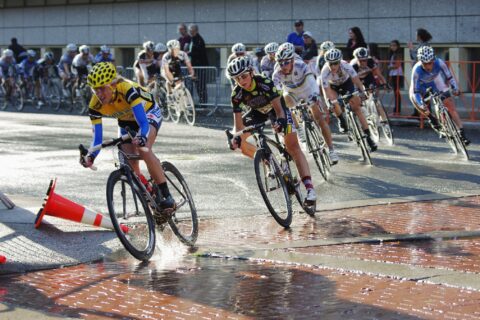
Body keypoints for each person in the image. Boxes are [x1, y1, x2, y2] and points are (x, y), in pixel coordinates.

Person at [81, 62, 175, 220]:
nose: (99, 93)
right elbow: (97, 139)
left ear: (112, 85)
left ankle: (166, 195)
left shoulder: (127, 89)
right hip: (125, 122)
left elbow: (144, 124)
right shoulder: (94, 105)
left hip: (147, 114)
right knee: (129, 166)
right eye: (95, 89)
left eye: (102, 88)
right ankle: (153, 201)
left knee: (144, 150)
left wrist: (142, 137)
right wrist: (90, 157)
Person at [227, 56, 317, 205]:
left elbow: (279, 110)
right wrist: (236, 138)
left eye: (243, 76)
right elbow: (238, 126)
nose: (241, 81)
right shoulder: (236, 94)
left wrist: (281, 122)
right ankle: (268, 161)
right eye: (236, 79)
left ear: (251, 72)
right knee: (240, 143)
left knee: (292, 147)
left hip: (278, 110)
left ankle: (309, 189)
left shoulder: (264, 82)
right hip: (258, 113)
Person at [273, 42, 339, 164]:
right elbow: (277, 92)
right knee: (285, 102)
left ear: (292, 60)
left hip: (307, 89)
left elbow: (311, 81)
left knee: (319, 118)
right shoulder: (276, 73)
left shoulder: (300, 65)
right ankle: (299, 129)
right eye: (280, 63)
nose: (283, 66)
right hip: (291, 93)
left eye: (286, 62)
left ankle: (331, 150)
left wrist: (314, 96)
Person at [409, 46, 470, 145]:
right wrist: (421, 104)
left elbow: (449, 77)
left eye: (431, 62)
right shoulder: (416, 70)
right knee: (415, 101)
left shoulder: (440, 62)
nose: (429, 66)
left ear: (434, 59)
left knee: (450, 106)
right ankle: (431, 118)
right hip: (420, 86)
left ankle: (462, 133)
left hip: (435, 81)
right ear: (421, 62)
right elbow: (415, 92)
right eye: (425, 64)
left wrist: (455, 88)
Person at [319, 48, 377, 152]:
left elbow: (356, 80)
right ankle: (341, 119)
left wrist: (362, 91)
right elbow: (325, 90)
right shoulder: (324, 71)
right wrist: (328, 101)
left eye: (335, 63)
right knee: (333, 101)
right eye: (330, 64)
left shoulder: (345, 65)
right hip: (333, 87)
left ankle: (369, 138)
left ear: (339, 62)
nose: (333, 66)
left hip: (346, 84)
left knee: (357, 108)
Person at [350, 47, 390, 124]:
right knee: (360, 98)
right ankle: (365, 115)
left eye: (365, 60)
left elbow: (379, 75)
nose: (363, 63)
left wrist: (385, 84)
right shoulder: (353, 65)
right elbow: (353, 81)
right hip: (357, 81)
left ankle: (384, 119)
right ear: (356, 59)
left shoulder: (370, 61)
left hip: (369, 79)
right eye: (360, 61)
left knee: (375, 98)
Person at [187, 23, 209, 104]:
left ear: (195, 30)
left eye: (191, 30)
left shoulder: (199, 40)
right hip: (194, 67)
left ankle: (203, 104)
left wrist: (188, 53)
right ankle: (198, 103)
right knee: (196, 86)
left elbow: (198, 53)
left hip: (199, 67)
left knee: (201, 86)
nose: (190, 32)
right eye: (189, 30)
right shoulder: (192, 39)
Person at [387, 40, 404, 115]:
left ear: (397, 46)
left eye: (394, 45)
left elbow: (397, 65)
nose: (392, 47)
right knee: (395, 93)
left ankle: (397, 111)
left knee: (397, 93)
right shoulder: (392, 54)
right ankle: (396, 110)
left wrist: (390, 67)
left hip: (397, 74)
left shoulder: (398, 54)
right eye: (391, 45)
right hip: (393, 74)